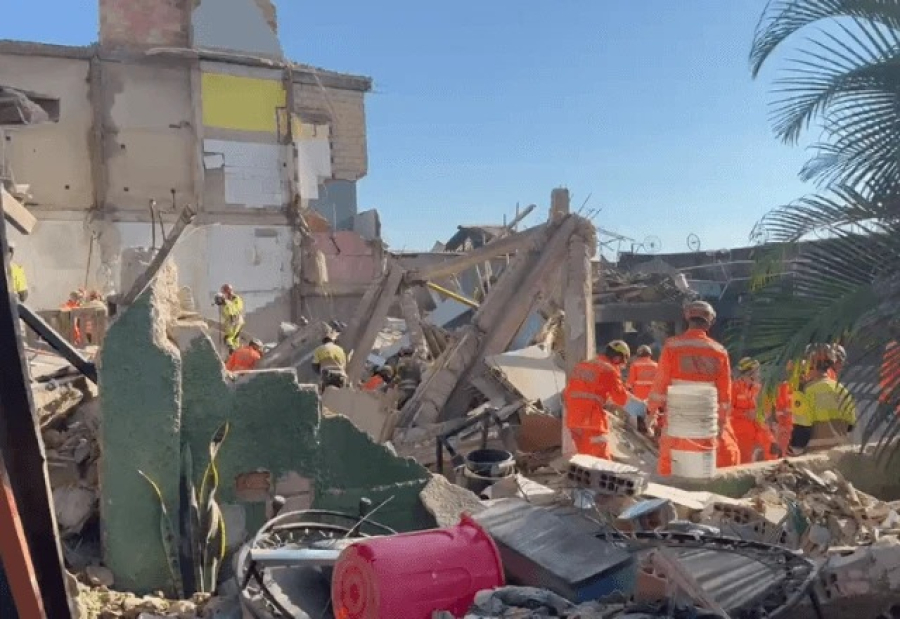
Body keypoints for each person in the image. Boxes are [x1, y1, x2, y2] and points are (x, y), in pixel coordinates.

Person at [648, 300, 740, 475]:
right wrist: (721, 421)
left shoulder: (672, 346)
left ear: (687, 318)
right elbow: (725, 393)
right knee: (705, 461)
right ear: (710, 322)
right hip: (705, 418)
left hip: (678, 416)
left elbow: (660, 383)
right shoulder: (719, 351)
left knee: (670, 461)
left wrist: (652, 412)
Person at [563, 340, 632, 460]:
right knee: (602, 460)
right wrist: (624, 388)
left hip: (573, 419)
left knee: (584, 460)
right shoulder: (609, 370)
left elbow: (571, 391)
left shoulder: (583, 365)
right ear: (617, 358)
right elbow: (621, 399)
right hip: (591, 421)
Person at [789, 344, 857, 455]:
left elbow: (800, 436)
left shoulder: (804, 393)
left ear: (810, 364)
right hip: (840, 455)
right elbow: (850, 426)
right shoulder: (842, 390)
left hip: (815, 456)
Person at [731, 357, 779, 463]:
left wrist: (759, 414)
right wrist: (745, 413)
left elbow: (767, 409)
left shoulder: (760, 388)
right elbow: (728, 410)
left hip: (759, 425)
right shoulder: (734, 388)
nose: (758, 374)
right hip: (741, 429)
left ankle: (771, 468)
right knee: (744, 458)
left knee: (773, 447)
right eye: (756, 371)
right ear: (749, 373)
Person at [215, 284, 245, 353]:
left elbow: (238, 309)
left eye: (224, 292)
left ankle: (233, 350)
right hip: (234, 320)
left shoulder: (235, 299)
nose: (224, 293)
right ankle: (236, 351)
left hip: (235, 320)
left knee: (229, 337)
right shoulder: (226, 301)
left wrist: (233, 318)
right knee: (235, 337)